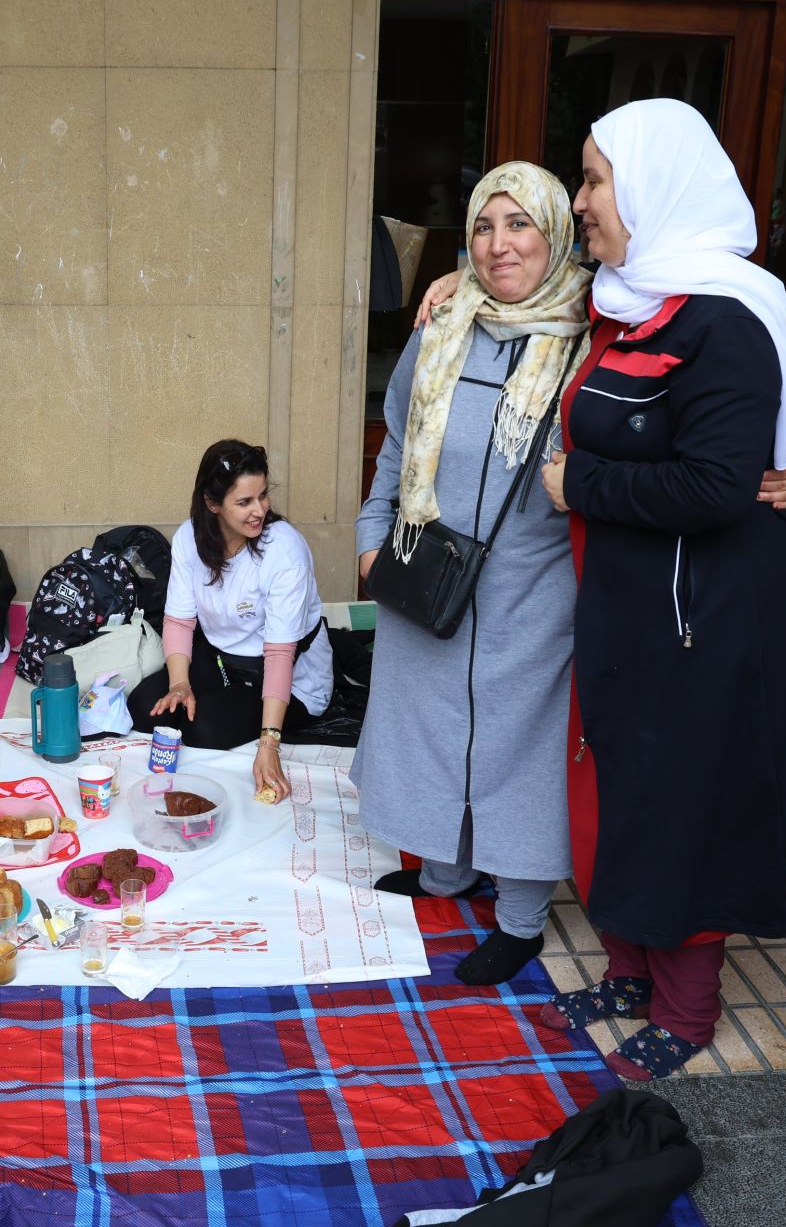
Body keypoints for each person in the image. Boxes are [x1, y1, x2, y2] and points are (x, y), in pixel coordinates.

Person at [533, 99, 786, 1079]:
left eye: (594, 178)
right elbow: (515, 277)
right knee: (624, 782)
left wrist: (583, 481)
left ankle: (686, 1009)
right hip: (636, 603)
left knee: (683, 798)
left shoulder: (727, 318)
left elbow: (716, 482)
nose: (580, 202)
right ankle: (630, 967)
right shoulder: (630, 293)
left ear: (653, 187)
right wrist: (450, 279)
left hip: (710, 614)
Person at [354, 161, 596, 987]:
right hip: (429, 567)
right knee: (423, 720)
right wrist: (368, 540)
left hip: (534, 590)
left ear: (556, 233)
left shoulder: (592, 337)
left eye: (519, 225)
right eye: (484, 228)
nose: (500, 246)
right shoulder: (446, 321)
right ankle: (447, 873)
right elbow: (396, 440)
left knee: (519, 747)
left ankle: (522, 917)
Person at [127, 440, 332, 800]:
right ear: (212, 503)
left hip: (288, 677)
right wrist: (179, 684)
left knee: (202, 731)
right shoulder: (190, 539)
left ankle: (249, 716)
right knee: (145, 709)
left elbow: (281, 654)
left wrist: (269, 743)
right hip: (223, 661)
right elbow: (179, 622)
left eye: (263, 496)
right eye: (244, 502)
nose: (260, 511)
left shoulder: (285, 551)